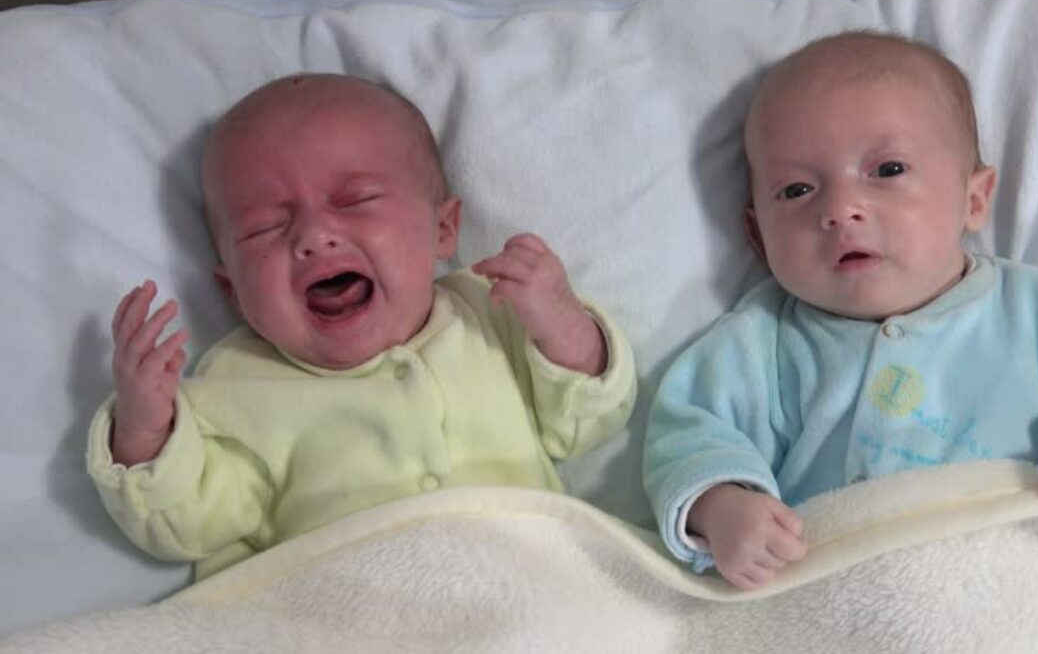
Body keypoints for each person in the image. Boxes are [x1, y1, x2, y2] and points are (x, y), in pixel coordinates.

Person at [643, 31, 1038, 590]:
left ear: (973, 200)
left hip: (1034, 578)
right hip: (842, 596)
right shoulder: (760, 344)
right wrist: (721, 508)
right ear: (758, 237)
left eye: (887, 170)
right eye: (796, 190)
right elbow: (691, 434)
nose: (840, 209)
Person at [88, 73, 636, 579]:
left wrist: (563, 324)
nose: (313, 235)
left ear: (443, 230)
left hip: (526, 582)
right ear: (233, 291)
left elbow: (585, 425)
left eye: (356, 200)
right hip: (349, 612)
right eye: (264, 228)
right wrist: (145, 433)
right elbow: (192, 526)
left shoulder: (494, 313)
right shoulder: (236, 382)